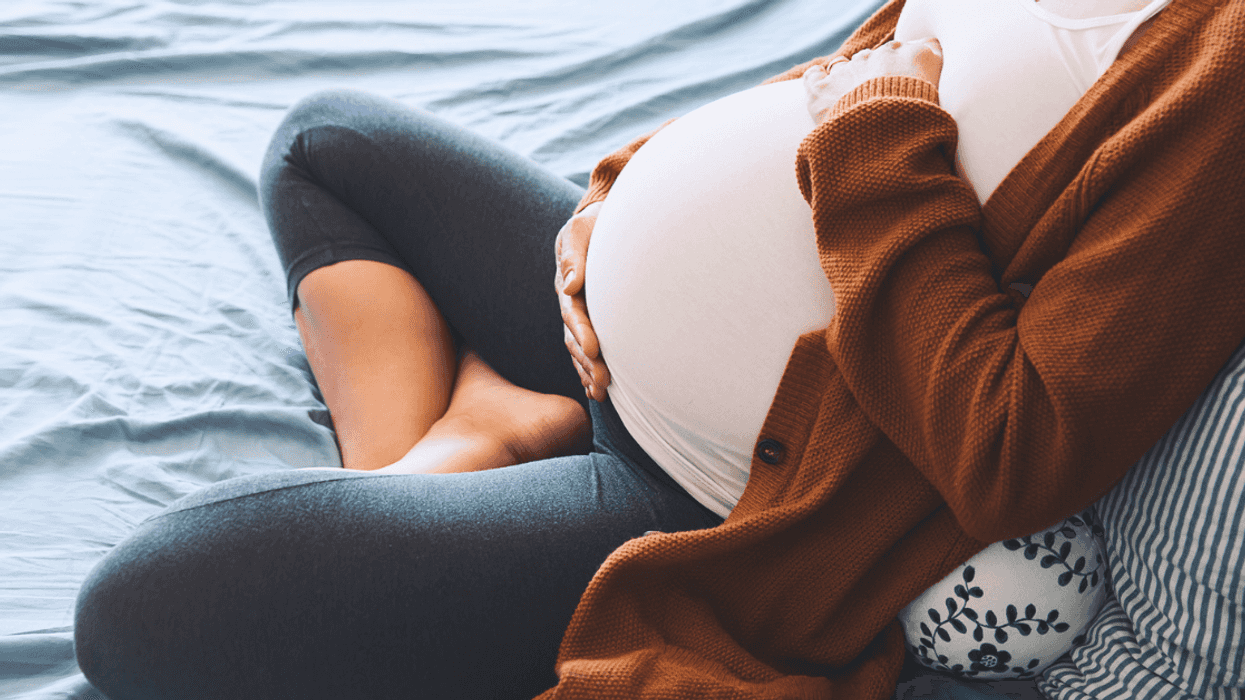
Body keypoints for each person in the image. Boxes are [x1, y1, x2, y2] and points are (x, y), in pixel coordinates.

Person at [72, 0, 1245, 698]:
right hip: (600, 334)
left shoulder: (1225, 72)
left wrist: (876, 140)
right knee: (327, 143)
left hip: (731, 491)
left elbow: (1017, 446)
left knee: (140, 613)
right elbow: (836, 75)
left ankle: (447, 452)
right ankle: (481, 429)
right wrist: (613, 200)